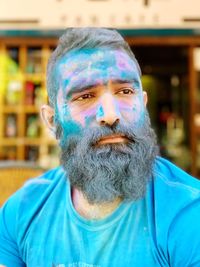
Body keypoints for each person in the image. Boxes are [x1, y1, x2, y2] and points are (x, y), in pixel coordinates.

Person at [0, 27, 200, 267]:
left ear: (143, 105)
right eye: (85, 96)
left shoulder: (189, 215)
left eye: (125, 91)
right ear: (53, 121)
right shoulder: (21, 213)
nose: (111, 115)